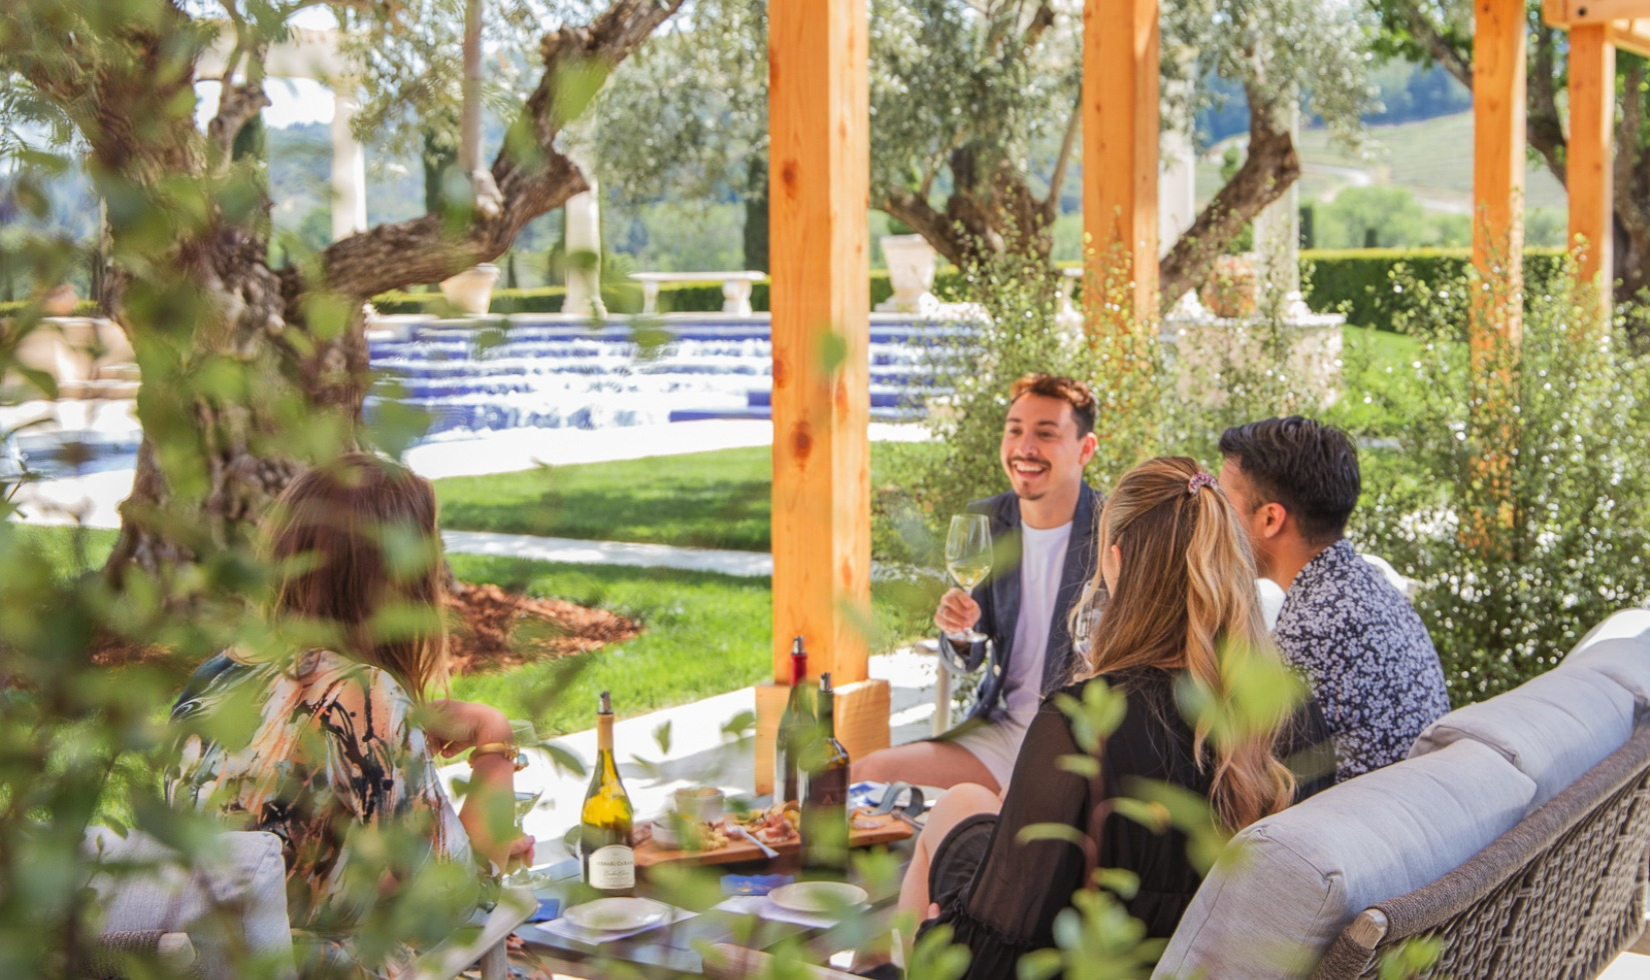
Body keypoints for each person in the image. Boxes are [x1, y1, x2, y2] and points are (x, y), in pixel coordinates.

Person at [895, 456, 1327, 979]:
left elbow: (997, 953)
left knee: (957, 805)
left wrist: (934, 936)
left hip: (1090, 961)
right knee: (974, 803)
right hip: (1204, 959)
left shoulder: (1084, 721)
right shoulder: (1291, 708)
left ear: (1116, 562)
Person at [165, 454, 534, 979]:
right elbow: (457, 904)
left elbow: (290, 873)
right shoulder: (360, 694)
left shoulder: (215, 675)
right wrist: (493, 743)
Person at [855, 373, 1105, 794]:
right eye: (1015, 431)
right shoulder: (988, 521)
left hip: (1077, 748)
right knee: (867, 772)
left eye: (1046, 434)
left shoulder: (1115, 530)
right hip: (1003, 734)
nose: (1025, 448)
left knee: (987, 817)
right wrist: (958, 633)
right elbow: (965, 662)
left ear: (1086, 449)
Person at [1217, 416, 1451, 781]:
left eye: (1223, 506)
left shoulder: (1310, 630)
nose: (1214, 522)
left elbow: (1243, 777)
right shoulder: (1370, 589)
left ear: (1270, 519)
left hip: (1361, 814)